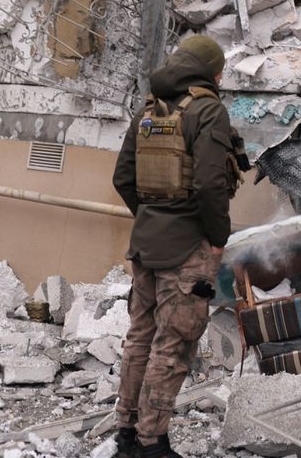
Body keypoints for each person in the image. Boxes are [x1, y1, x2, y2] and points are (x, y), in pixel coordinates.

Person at [112, 35, 243, 458]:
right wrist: (217, 239)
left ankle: (127, 434)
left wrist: (152, 214)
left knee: (138, 340)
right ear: (210, 71)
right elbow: (209, 184)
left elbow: (123, 179)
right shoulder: (208, 110)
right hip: (187, 248)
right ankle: (152, 443)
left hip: (146, 244)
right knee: (173, 346)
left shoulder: (148, 110)